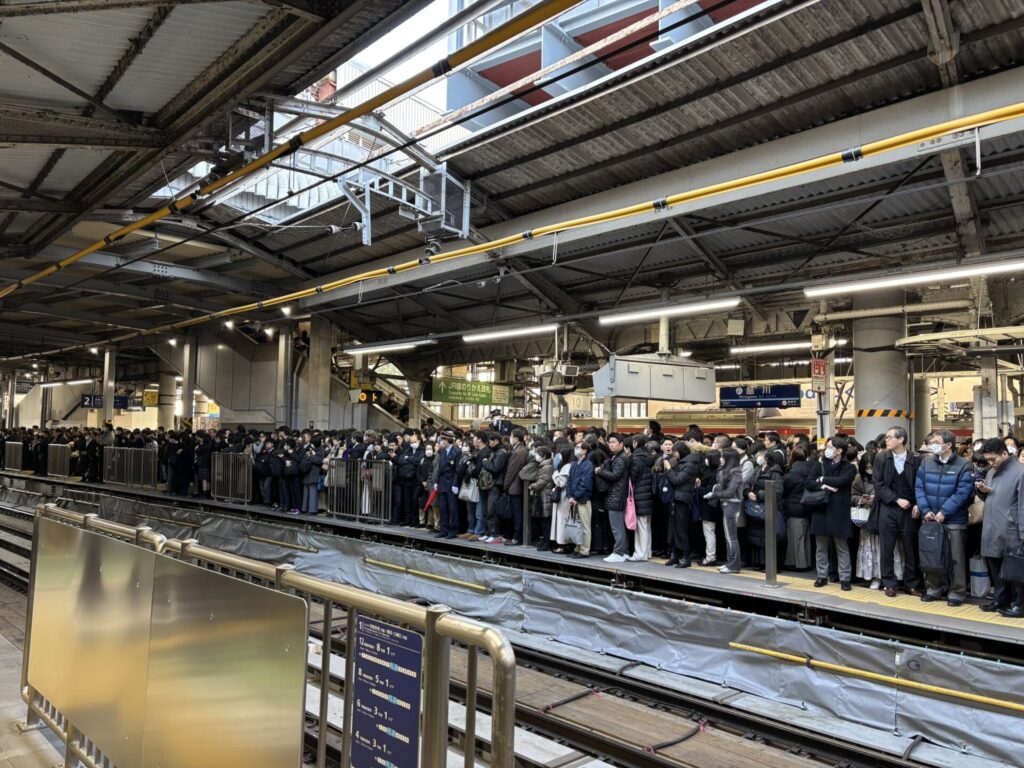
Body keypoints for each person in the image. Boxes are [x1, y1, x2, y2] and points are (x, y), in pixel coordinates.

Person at [915, 429, 975, 606]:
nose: (931, 444)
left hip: (954, 519)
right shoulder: (926, 463)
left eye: (936, 441)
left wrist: (944, 512)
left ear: (948, 445)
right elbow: (919, 488)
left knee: (956, 557)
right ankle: (933, 589)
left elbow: (963, 492)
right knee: (930, 554)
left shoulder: (964, 464)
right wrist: (926, 510)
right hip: (930, 518)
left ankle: (957, 592)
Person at [873, 427, 923, 598]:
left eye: (889, 437)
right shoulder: (881, 458)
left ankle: (911, 584)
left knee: (911, 548)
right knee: (887, 547)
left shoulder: (916, 459)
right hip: (888, 508)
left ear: (901, 440)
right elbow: (878, 484)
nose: (886, 440)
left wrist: (918, 503)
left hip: (910, 510)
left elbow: (921, 484)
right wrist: (895, 499)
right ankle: (889, 583)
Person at [977, 438, 1024, 616]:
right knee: (995, 566)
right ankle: (1000, 599)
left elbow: (1023, 505)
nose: (990, 463)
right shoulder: (991, 471)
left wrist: (1023, 531)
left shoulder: (1020, 472)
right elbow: (991, 497)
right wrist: (982, 491)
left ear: (1005, 453)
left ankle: (1020, 604)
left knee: (1016, 568)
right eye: (987, 460)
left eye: (993, 459)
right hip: (992, 526)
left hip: (1011, 528)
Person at [807, 435, 857, 590]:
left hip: (839, 511)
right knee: (821, 546)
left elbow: (843, 481)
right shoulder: (819, 465)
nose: (826, 450)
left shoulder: (849, 467)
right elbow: (808, 483)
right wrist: (825, 485)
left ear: (839, 450)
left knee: (841, 546)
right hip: (821, 509)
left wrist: (822, 479)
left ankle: (845, 579)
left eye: (830, 447)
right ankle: (822, 576)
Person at [853, 452, 887, 589]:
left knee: (887, 548)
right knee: (871, 549)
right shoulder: (859, 479)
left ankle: (887, 578)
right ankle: (875, 577)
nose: (870, 470)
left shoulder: (885, 476)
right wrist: (862, 499)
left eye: (872, 467)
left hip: (883, 516)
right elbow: (852, 496)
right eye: (867, 467)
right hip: (867, 519)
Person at [595, 433, 630, 563]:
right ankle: (624, 551)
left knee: (617, 526)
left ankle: (619, 552)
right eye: (609, 442)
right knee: (619, 526)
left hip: (616, 495)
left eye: (614, 442)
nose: (611, 444)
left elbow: (615, 475)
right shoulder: (618, 457)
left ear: (621, 444)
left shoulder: (620, 459)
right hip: (617, 494)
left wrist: (600, 471)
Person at [665, 441, 700, 567]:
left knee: (681, 529)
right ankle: (675, 555)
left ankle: (685, 557)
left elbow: (677, 480)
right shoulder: (683, 463)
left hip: (683, 499)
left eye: (675, 452)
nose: (674, 454)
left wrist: (669, 469)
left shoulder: (690, 464)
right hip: (677, 498)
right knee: (673, 528)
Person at [710, 448, 744, 573]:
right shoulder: (728, 471)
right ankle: (730, 563)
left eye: (723, 457)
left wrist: (716, 492)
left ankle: (733, 565)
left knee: (731, 537)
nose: (721, 459)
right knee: (728, 536)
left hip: (732, 505)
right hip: (727, 504)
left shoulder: (735, 473)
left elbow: (729, 492)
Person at [783, 443, 815, 570]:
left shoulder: (794, 471)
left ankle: (798, 564)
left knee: (796, 536)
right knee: (805, 536)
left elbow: (786, 489)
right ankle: (806, 561)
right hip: (808, 505)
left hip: (795, 506)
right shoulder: (812, 468)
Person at [628, 437, 656, 562]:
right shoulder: (650, 457)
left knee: (640, 526)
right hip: (649, 494)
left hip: (639, 493)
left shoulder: (636, 458)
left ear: (635, 443)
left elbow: (633, 477)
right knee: (646, 525)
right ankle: (647, 551)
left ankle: (640, 553)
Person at [566, 441, 595, 558]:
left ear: (585, 450)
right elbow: (569, 481)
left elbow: (585, 483)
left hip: (583, 499)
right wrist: (570, 496)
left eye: (578, 447)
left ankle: (584, 550)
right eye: (576, 447)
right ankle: (577, 547)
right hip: (574, 499)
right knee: (577, 525)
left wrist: (575, 497)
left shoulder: (588, 464)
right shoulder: (573, 464)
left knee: (584, 526)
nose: (576, 449)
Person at [503, 428, 529, 545]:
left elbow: (511, 472)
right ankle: (517, 536)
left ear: (517, 439)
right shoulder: (521, 450)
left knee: (517, 513)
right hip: (517, 486)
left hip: (515, 486)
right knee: (517, 512)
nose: (510, 438)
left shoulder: (519, 452)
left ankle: (517, 537)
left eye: (512, 436)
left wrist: (505, 486)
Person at [434, 431, 462, 539]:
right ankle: (443, 529)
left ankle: (453, 530)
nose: (442, 442)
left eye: (443, 440)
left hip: (451, 483)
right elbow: (439, 468)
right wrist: (436, 481)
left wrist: (455, 484)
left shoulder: (457, 452)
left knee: (453, 508)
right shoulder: (442, 451)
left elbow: (457, 470)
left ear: (449, 440)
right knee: (443, 508)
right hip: (442, 483)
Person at [696, 449, 720, 566]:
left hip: (709, 505)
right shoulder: (717, 471)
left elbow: (708, 491)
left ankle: (710, 557)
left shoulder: (713, 473)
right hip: (713, 506)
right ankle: (712, 555)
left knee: (709, 531)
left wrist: (698, 488)